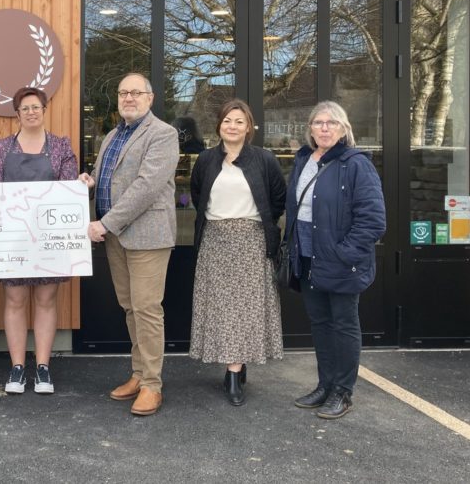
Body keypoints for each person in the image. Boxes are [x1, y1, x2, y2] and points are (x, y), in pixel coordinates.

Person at [77, 73, 179, 416]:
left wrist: (105, 223)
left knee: (148, 309)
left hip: (146, 235)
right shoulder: (111, 135)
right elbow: (111, 178)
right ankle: (139, 374)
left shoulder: (163, 134)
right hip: (118, 236)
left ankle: (152, 384)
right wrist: (89, 182)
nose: (129, 98)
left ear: (150, 98)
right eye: (123, 93)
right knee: (130, 307)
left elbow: (146, 188)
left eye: (136, 92)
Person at [285, 100, 385, 420]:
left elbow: (372, 220)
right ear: (310, 129)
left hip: (339, 260)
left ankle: (342, 391)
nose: (324, 128)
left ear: (343, 129)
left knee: (343, 324)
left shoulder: (356, 164)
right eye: (318, 122)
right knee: (321, 324)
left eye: (332, 123)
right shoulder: (303, 159)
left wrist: (344, 253)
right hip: (307, 256)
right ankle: (325, 385)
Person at [188, 99, 286, 406]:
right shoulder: (205, 159)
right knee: (222, 309)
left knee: (244, 310)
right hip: (215, 241)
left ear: (249, 127)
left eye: (239, 121)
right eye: (228, 120)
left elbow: (278, 198)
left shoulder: (264, 159)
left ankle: (233, 372)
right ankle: (236, 365)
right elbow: (197, 196)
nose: (233, 126)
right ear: (219, 125)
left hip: (251, 241)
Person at [0, 87, 78, 395]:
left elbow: (67, 192)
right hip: (13, 239)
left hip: (49, 240)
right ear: (17, 113)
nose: (31, 112)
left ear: (45, 109)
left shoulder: (62, 148)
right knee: (14, 301)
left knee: (46, 300)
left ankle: (42, 367)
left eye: (36, 107)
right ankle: (16, 367)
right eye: (25, 108)